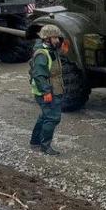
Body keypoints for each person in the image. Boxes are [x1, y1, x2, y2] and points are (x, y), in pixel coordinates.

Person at [29, 23, 67, 155]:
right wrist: (46, 92)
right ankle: (45, 146)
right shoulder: (42, 54)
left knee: (45, 115)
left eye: (58, 38)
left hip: (54, 88)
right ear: (47, 39)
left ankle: (35, 142)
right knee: (52, 117)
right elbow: (39, 75)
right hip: (48, 90)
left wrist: (63, 45)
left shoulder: (51, 50)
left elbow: (58, 52)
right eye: (55, 38)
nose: (57, 40)